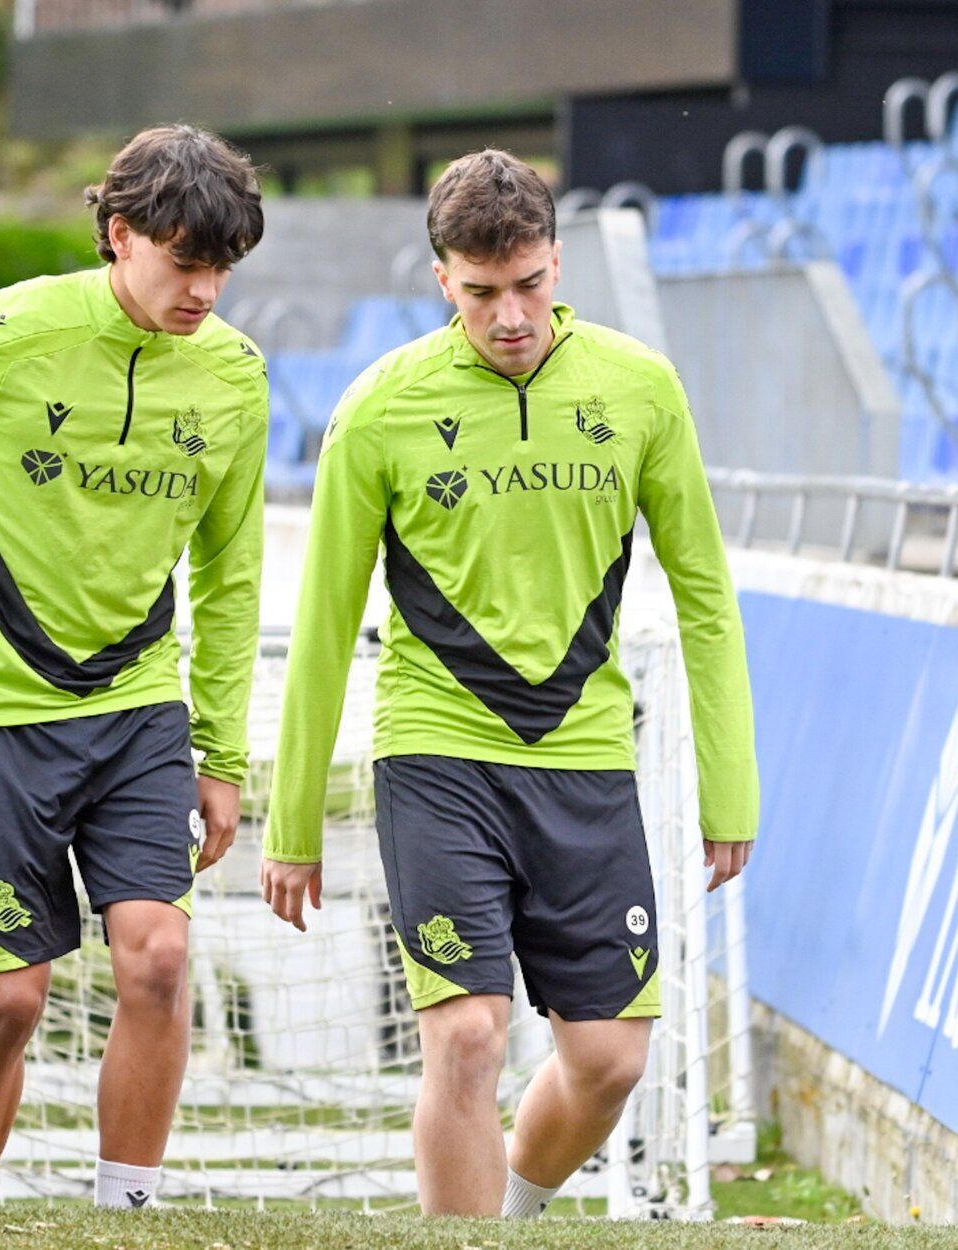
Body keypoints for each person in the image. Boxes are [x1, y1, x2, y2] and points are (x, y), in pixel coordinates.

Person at [261, 149, 758, 1218]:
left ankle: (512, 1222)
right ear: (443, 278)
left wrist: (731, 791)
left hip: (585, 758)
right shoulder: (380, 407)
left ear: (557, 263)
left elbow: (707, 600)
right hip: (436, 753)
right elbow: (324, 624)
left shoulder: (640, 389)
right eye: (482, 292)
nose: (511, 316)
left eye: (529, 284)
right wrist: (292, 823)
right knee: (468, 1034)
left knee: (610, 1061)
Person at [0, 124, 269, 1209]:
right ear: (119, 234)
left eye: (222, 268)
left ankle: (125, 1213)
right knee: (9, 1003)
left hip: (137, 710)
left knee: (158, 958)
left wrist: (222, 754)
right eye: (184, 261)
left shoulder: (234, 376)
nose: (204, 291)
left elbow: (231, 573)